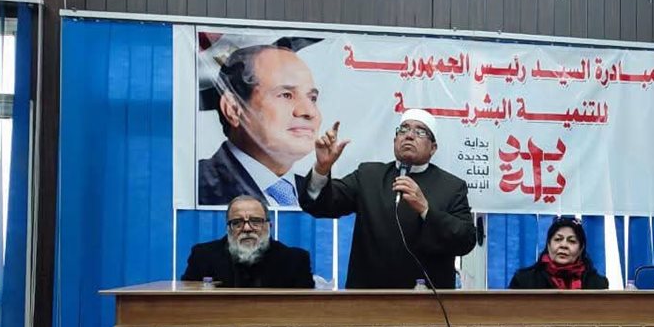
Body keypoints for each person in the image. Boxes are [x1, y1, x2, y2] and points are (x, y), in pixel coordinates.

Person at [296, 109, 476, 289]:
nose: (409, 136)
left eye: (420, 132)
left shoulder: (451, 187)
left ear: (433, 148)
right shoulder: (369, 176)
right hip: (370, 299)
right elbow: (321, 205)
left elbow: (465, 240)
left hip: (427, 300)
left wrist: (425, 210)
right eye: (403, 129)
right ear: (395, 140)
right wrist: (322, 169)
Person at [198, 44, 322, 206]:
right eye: (286, 95)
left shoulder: (322, 195)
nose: (309, 112)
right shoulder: (194, 186)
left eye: (312, 98)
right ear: (233, 109)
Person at [181, 195, 315, 288]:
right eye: (237, 223)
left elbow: (306, 309)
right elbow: (186, 303)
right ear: (228, 228)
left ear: (269, 226)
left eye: (255, 221)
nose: (246, 228)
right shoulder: (203, 256)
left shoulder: (295, 260)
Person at [508, 217, 609, 290]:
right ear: (548, 245)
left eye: (572, 241)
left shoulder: (597, 284)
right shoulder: (523, 281)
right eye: (558, 239)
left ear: (581, 249)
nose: (563, 245)